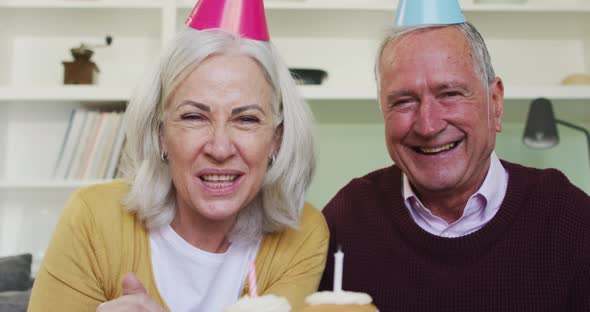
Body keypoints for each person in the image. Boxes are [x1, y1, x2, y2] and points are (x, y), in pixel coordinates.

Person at [28, 0, 328, 311]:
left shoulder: (301, 233)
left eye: (246, 119)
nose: (220, 148)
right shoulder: (92, 219)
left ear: (276, 139)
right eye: (194, 117)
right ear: (160, 134)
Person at [319, 0, 590, 311]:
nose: (428, 125)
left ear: (496, 103)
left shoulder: (570, 219)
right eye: (404, 101)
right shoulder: (347, 220)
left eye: (449, 94)